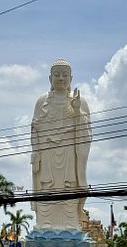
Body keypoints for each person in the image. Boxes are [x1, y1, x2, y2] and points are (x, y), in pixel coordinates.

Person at [30, 59, 92, 230]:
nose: (61, 78)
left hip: (69, 153)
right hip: (47, 154)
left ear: (71, 78)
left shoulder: (79, 100)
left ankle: (70, 225)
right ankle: (45, 224)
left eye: (65, 75)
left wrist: (78, 110)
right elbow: (34, 128)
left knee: (69, 185)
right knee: (46, 186)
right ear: (50, 78)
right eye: (57, 74)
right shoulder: (42, 101)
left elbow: (86, 132)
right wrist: (35, 151)